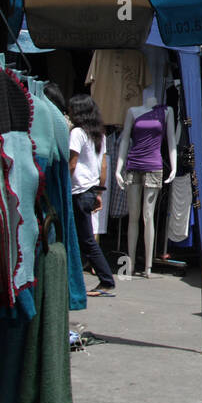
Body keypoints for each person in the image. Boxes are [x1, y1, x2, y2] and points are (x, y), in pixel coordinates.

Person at [67, 94, 116, 297]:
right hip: (89, 190)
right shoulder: (99, 134)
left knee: (85, 240)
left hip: (78, 191)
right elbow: (102, 165)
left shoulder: (77, 133)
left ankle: (106, 280)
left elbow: (72, 163)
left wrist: (61, 185)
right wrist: (98, 192)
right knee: (82, 239)